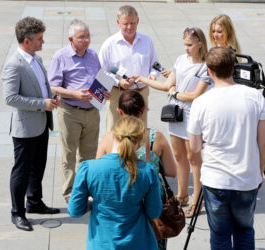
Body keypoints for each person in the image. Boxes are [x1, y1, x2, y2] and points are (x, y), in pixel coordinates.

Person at [188, 47, 265, 249]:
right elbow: (264, 142)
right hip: (246, 178)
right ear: (234, 67)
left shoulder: (200, 102)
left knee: (220, 235)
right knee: (244, 231)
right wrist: (259, 171)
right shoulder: (255, 97)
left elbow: (195, 146)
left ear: (209, 71)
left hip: (216, 180)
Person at [131, 27, 211, 218]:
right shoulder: (180, 59)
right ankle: (182, 195)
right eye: (185, 44)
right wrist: (143, 79)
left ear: (200, 44)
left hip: (192, 115)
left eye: (190, 45)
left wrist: (175, 93)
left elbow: (195, 95)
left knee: (194, 159)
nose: (186, 48)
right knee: (178, 155)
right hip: (176, 114)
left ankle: (197, 199)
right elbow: (167, 85)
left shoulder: (205, 65)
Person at [96, 90, 177, 250]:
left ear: (119, 112)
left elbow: (99, 172)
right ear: (143, 109)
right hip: (151, 204)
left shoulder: (108, 138)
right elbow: (172, 171)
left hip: (120, 202)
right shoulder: (156, 137)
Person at [68, 116, 162, 250]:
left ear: (113, 136)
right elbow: (154, 212)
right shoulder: (147, 171)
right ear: (139, 143)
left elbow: (74, 210)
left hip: (101, 243)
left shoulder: (88, 168)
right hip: (138, 242)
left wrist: (91, 202)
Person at [2, 17, 60, 231]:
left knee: (38, 166)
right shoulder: (13, 65)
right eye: (39, 39)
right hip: (25, 128)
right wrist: (41, 104)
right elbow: (10, 98)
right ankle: (17, 213)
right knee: (22, 171)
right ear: (27, 41)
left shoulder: (37, 60)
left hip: (42, 123)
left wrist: (52, 96)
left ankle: (34, 202)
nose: (42, 42)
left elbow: (42, 86)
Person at [49, 19, 110, 203]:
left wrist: (103, 92)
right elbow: (53, 87)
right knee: (69, 153)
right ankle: (69, 192)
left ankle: (86, 189)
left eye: (88, 36)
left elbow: (100, 78)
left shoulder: (92, 55)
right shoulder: (60, 57)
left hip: (92, 111)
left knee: (89, 154)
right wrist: (75, 94)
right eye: (81, 37)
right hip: (70, 111)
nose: (86, 40)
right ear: (71, 39)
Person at [98, 5, 159, 132]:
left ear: (137, 21)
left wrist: (153, 76)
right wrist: (118, 82)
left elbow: (156, 65)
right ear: (118, 23)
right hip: (118, 94)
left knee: (140, 134)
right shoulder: (109, 44)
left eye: (133, 23)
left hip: (141, 93)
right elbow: (100, 72)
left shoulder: (147, 41)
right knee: (115, 133)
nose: (129, 27)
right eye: (125, 24)